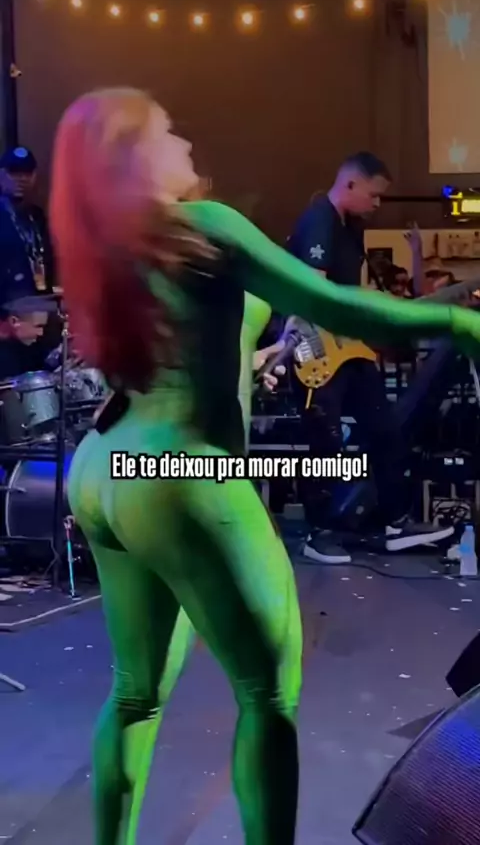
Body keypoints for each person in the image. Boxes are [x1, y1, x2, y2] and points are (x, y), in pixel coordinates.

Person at [50, 90, 480, 845]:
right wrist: (456, 320)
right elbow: (342, 309)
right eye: (166, 133)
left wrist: (253, 360)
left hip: (105, 468)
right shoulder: (204, 225)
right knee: (268, 696)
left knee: (135, 693)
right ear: (133, 157)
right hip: (184, 475)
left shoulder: (116, 247)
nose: (184, 142)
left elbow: (170, 357)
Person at [287, 152, 455, 563]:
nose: (377, 204)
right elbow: (314, 291)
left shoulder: (352, 228)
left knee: (385, 429)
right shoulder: (320, 219)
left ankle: (397, 521)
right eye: (374, 195)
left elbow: (349, 288)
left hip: (350, 347)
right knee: (325, 442)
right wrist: (371, 305)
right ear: (350, 184)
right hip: (318, 349)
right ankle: (319, 533)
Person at [0, 147, 55, 302]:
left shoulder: (38, 217)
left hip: (41, 302)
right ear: (1, 176)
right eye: (14, 173)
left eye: (27, 173)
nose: (22, 179)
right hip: (7, 307)